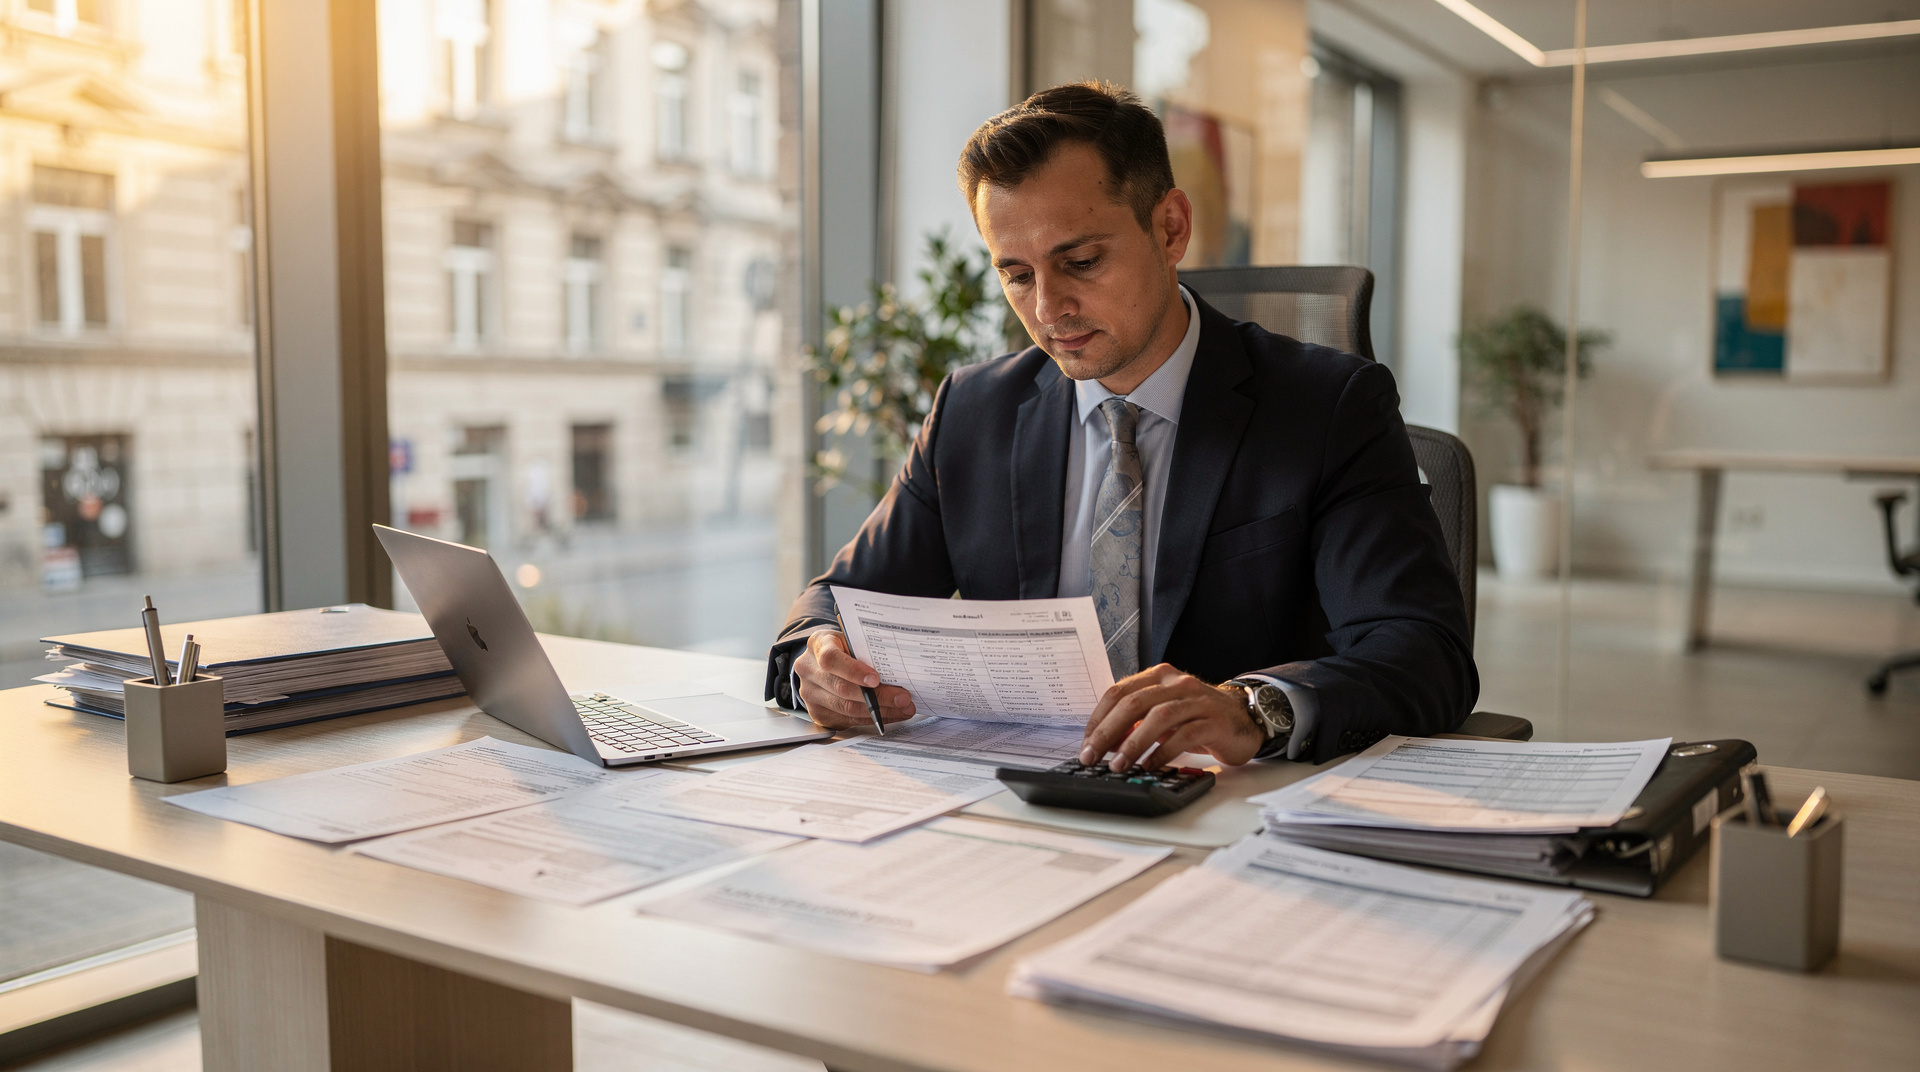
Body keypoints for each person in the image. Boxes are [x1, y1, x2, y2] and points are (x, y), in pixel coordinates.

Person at [765, 81, 1476, 770]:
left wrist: (1255, 708)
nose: (1048, 308)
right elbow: (837, 600)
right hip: (1012, 805)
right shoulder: (973, 412)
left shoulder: (1326, 407)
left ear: (1170, 229)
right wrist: (819, 656)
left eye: (1081, 261)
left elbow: (1422, 649)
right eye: (1016, 275)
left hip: (1227, 816)